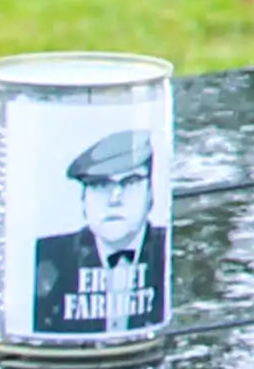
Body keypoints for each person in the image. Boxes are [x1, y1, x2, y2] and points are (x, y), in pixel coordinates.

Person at [29, 125, 166, 344]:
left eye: (130, 182)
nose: (115, 198)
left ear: (151, 193)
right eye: (101, 184)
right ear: (84, 200)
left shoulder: (168, 251)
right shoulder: (47, 256)